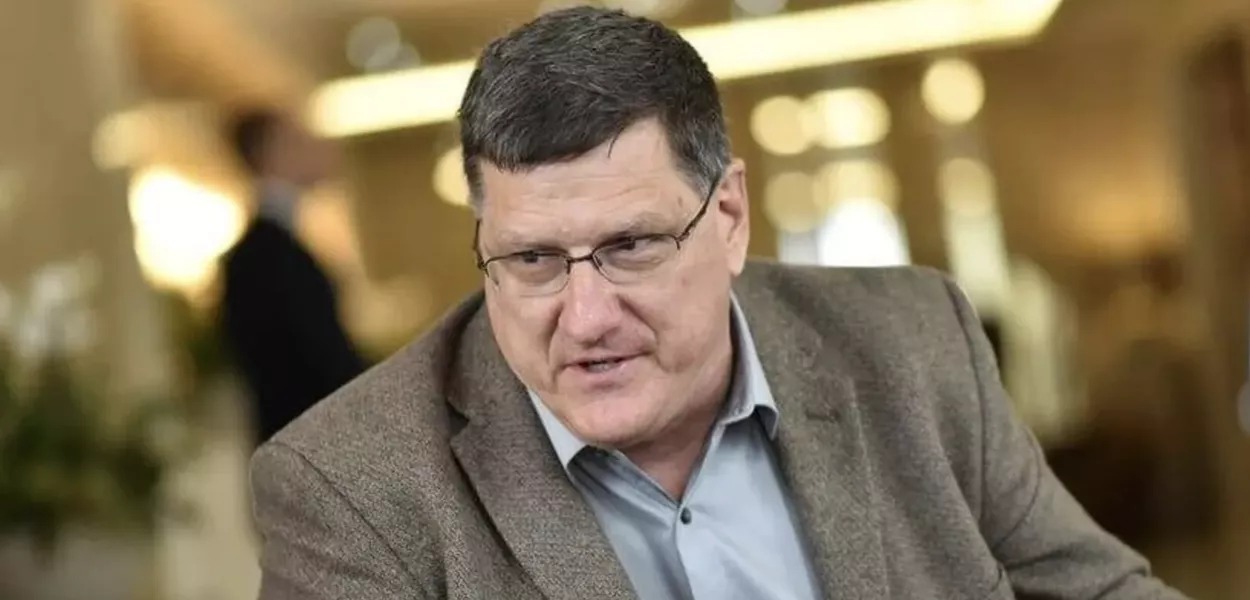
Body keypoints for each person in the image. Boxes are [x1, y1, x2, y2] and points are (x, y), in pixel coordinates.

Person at [251, 8, 1186, 599]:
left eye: (631, 247)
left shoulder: (910, 340)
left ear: (729, 216)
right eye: (532, 260)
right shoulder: (350, 491)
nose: (586, 318)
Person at [220, 110, 365, 445]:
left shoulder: (272, 247)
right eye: (299, 141)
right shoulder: (265, 255)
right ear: (272, 154)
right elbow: (318, 358)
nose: (319, 148)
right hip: (308, 445)